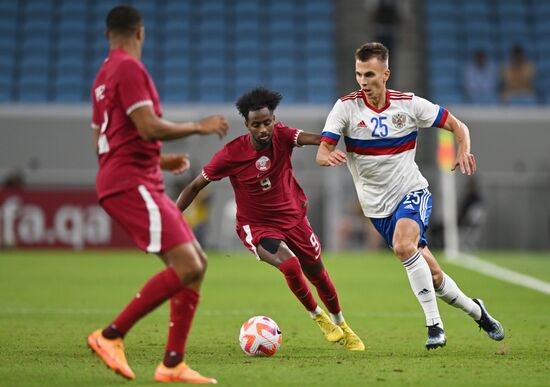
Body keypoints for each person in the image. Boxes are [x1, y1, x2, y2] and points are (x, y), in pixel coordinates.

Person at [316, 42, 504, 350]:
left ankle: (434, 326)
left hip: (411, 191)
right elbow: (323, 152)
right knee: (433, 274)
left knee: (405, 246)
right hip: (377, 209)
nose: (363, 81)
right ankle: (476, 310)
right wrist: (328, 156)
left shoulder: (410, 105)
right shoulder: (345, 107)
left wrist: (464, 149)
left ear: (386, 73)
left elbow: (458, 126)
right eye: (359, 74)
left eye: (370, 74)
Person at [87, 5, 228, 384]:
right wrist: (198, 127)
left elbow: (107, 140)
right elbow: (147, 126)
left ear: (107, 35)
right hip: (130, 182)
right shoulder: (129, 69)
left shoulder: (103, 74)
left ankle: (172, 363)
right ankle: (110, 335)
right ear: (140, 33)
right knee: (188, 266)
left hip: (131, 175)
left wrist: (160, 161)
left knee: (197, 262)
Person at [177, 87, 365, 351]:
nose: (263, 129)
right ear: (247, 125)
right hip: (257, 226)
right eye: (256, 125)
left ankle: (342, 325)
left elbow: (318, 138)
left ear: (274, 120)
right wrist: (173, 219)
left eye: (267, 122)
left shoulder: (284, 136)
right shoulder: (231, 154)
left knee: (318, 273)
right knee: (290, 266)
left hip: (293, 218)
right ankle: (318, 317)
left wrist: (338, 139)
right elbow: (195, 186)